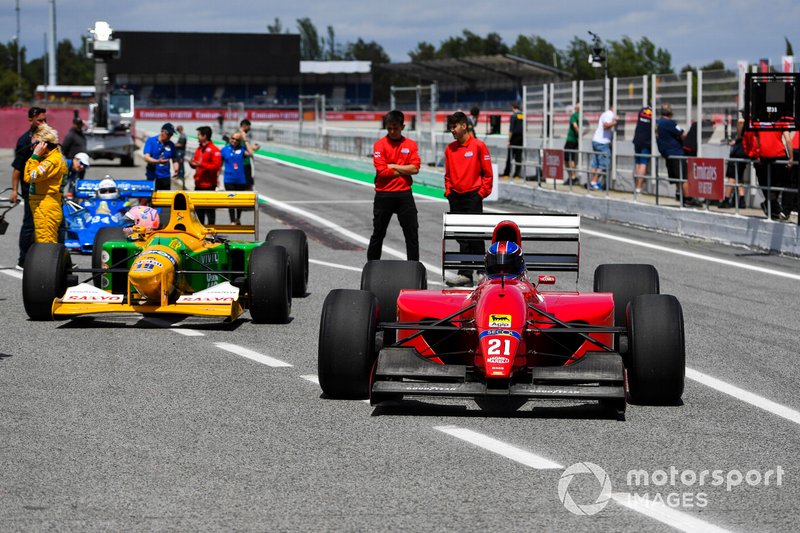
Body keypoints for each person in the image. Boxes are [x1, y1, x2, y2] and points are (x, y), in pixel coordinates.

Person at [444, 111, 493, 287]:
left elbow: (488, 174)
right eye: (450, 127)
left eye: (454, 126)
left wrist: (481, 193)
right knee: (461, 236)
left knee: (476, 235)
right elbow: (447, 174)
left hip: (473, 196)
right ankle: (465, 274)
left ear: (464, 126)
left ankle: (481, 272)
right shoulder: (450, 148)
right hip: (455, 197)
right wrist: (449, 191)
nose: (452, 130)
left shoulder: (479, 146)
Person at [367, 110, 421, 262]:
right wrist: (404, 169)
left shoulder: (410, 145)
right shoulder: (379, 145)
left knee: (412, 234)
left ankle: (413, 267)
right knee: (378, 233)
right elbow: (382, 172)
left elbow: (415, 169)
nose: (392, 131)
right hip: (384, 194)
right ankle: (371, 266)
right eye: (389, 128)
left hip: (404, 194)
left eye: (395, 128)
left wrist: (392, 166)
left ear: (402, 127)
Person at [10, 106, 47, 268]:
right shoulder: (25, 141)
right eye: (39, 120)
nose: (42, 123)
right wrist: (13, 190)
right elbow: (17, 168)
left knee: (50, 223)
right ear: (30, 120)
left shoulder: (47, 137)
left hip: (46, 189)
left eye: (44, 120)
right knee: (29, 224)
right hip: (29, 190)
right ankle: (22, 260)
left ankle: (49, 259)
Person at [23, 124, 68, 245]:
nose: (32, 149)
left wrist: (35, 156)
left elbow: (30, 176)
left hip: (46, 206)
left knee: (46, 242)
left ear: (43, 145)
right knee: (42, 240)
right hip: (42, 204)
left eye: (34, 145)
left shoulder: (52, 161)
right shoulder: (49, 158)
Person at [656, 103, 702, 207]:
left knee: (677, 177)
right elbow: (683, 134)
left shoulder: (658, 123)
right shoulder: (670, 123)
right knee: (683, 177)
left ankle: (679, 194)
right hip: (676, 153)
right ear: (670, 113)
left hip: (667, 153)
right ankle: (688, 198)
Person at [744, 129, 793, 220]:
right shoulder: (780, 121)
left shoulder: (759, 120)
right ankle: (783, 210)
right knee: (787, 183)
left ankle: (772, 206)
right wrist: (791, 158)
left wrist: (757, 154)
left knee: (769, 184)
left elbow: (755, 139)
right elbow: (788, 139)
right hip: (779, 154)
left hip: (763, 156)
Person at [189, 125, 222, 225]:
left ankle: (212, 233)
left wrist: (201, 164)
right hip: (198, 184)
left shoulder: (214, 150)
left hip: (209, 185)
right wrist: (192, 164)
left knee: (210, 211)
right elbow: (196, 165)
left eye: (199, 135)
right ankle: (200, 233)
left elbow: (216, 167)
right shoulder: (198, 149)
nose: (197, 137)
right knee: (198, 211)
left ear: (205, 136)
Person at [220, 132, 253, 224]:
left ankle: (238, 218)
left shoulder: (242, 149)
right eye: (233, 138)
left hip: (240, 179)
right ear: (230, 138)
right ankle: (232, 220)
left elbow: (251, 153)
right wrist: (217, 177)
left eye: (237, 140)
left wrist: (245, 140)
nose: (234, 141)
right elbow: (219, 164)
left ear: (240, 141)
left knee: (239, 201)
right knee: (231, 200)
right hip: (228, 179)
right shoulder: (224, 150)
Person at [721, 110, 749, 209]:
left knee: (731, 177)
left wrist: (741, 122)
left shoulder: (742, 122)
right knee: (739, 176)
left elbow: (739, 135)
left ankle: (726, 199)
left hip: (738, 152)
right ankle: (741, 200)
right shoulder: (752, 123)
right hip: (745, 152)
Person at [589, 103, 617, 190]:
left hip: (596, 141)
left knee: (595, 164)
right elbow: (606, 125)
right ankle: (594, 182)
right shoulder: (610, 114)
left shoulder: (605, 113)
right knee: (604, 164)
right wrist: (615, 122)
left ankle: (592, 183)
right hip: (602, 142)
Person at [143, 123, 179, 191]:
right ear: (162, 132)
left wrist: (176, 170)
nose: (170, 137)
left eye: (171, 135)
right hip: (152, 176)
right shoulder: (151, 141)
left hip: (165, 177)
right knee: (152, 199)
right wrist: (158, 161)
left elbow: (175, 159)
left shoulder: (171, 144)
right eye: (169, 134)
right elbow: (146, 157)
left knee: (165, 199)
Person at [632, 104, 652, 197]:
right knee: (643, 163)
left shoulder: (642, 110)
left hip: (637, 139)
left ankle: (636, 186)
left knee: (637, 162)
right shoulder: (654, 113)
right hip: (646, 141)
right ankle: (639, 187)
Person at [501, 102, 523, 179]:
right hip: (521, 138)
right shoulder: (522, 115)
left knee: (510, 156)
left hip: (514, 138)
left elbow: (511, 130)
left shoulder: (513, 116)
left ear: (513, 107)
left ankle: (507, 173)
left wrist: (508, 140)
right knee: (518, 157)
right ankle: (517, 174)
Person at [239, 119, 261, 190]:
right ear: (245, 126)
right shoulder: (241, 135)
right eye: (249, 127)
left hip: (243, 163)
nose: (250, 129)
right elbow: (240, 148)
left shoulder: (241, 134)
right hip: (244, 163)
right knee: (248, 184)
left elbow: (243, 147)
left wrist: (252, 147)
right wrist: (249, 151)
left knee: (247, 184)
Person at [563, 102, 581, 185]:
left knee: (567, 159)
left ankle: (572, 177)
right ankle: (572, 177)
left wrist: (578, 133)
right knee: (571, 158)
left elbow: (575, 126)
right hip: (575, 140)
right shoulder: (581, 116)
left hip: (571, 140)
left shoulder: (574, 116)